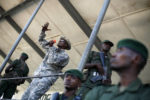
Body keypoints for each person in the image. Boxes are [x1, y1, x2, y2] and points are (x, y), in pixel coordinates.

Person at [84, 39, 150, 100]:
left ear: (136, 59)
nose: (114, 55)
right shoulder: (99, 92)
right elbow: (83, 65)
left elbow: (108, 73)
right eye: (116, 51)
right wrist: (95, 65)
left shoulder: (146, 94)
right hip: (88, 84)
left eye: (120, 51)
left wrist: (108, 80)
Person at [21, 22, 71, 100]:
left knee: (33, 97)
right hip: (39, 75)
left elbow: (52, 61)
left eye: (62, 41)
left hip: (47, 78)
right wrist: (43, 31)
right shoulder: (53, 49)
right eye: (60, 40)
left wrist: (50, 47)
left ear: (66, 46)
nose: (59, 41)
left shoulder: (65, 56)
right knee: (25, 95)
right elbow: (41, 41)